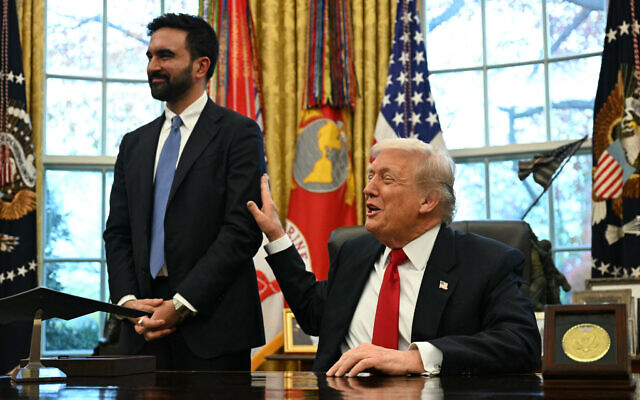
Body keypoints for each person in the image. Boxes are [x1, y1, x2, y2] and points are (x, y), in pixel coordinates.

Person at [247, 138, 541, 376]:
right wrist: (276, 235)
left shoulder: (488, 262)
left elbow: (521, 343)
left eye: (386, 179)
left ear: (427, 200)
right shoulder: (354, 252)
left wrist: (414, 359)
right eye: (371, 176)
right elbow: (314, 315)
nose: (367, 189)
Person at [104, 13, 266, 370]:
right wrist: (128, 301)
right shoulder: (134, 143)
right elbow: (117, 233)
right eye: (149, 56)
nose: (152, 66)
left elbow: (241, 231)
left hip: (213, 331)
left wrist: (179, 305)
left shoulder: (239, 134)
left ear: (200, 66)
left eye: (165, 56)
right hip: (141, 330)